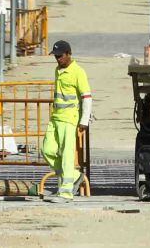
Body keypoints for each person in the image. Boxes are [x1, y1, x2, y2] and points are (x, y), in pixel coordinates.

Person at [42, 40, 93, 203]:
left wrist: (84, 121)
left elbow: (86, 97)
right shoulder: (58, 70)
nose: (57, 59)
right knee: (47, 150)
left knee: (66, 154)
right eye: (56, 56)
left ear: (69, 54)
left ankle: (66, 192)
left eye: (60, 56)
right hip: (56, 118)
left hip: (69, 119)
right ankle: (74, 176)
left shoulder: (78, 72)